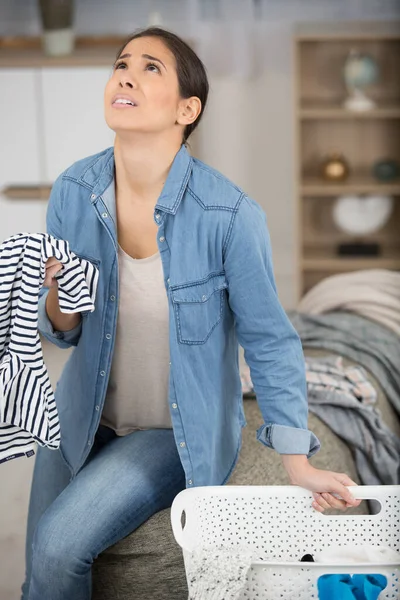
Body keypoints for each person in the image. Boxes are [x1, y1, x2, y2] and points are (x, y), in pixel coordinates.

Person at [21, 27, 360, 600]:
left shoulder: (229, 214)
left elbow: (271, 340)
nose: (124, 74)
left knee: (58, 545)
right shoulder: (73, 192)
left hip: (171, 432)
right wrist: (57, 296)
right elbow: (65, 333)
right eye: (121, 63)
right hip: (79, 415)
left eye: (150, 67)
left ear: (188, 108)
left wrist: (297, 462)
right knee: (39, 570)